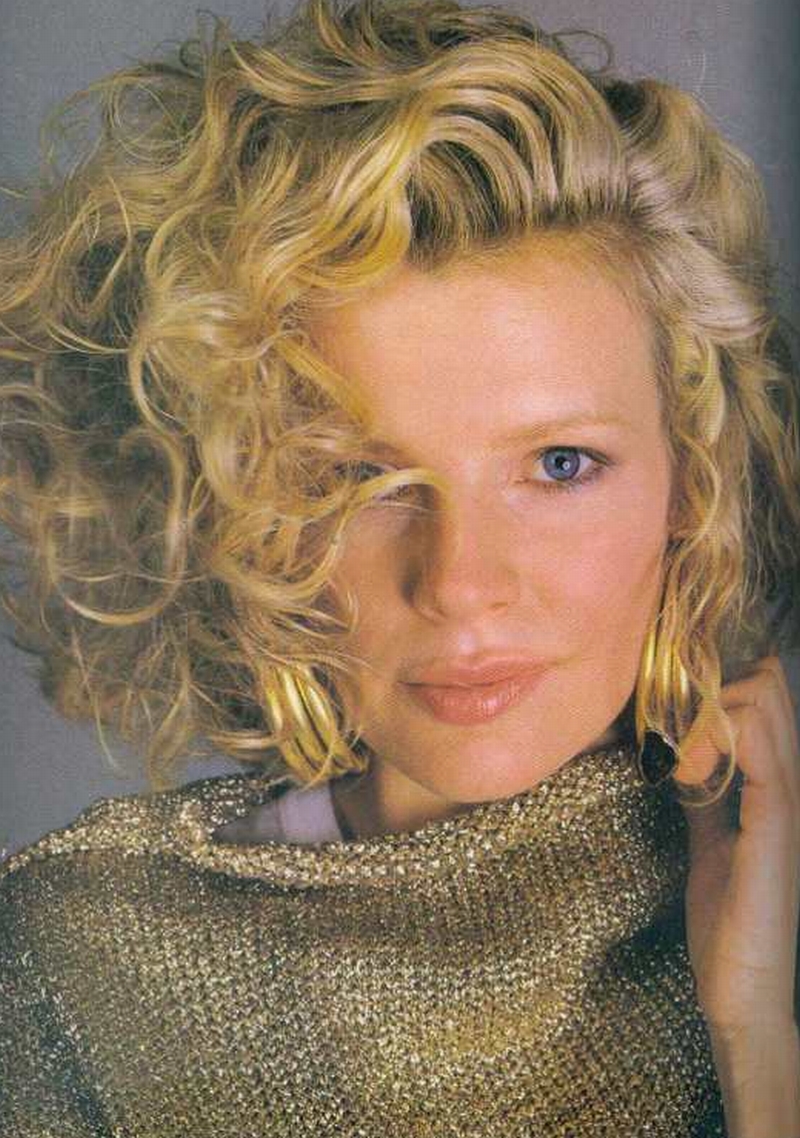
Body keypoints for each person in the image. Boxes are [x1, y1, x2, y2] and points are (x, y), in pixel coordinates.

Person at [0, 0, 798, 1133]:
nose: (460, 581)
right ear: (230, 504)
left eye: (560, 464)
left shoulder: (777, 895)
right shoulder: (77, 958)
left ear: (693, 480)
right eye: (359, 480)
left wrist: (758, 1034)